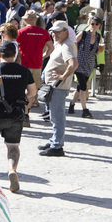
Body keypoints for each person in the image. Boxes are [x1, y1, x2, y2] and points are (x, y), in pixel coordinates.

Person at [0, 41, 34, 193]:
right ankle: (12, 170)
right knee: (13, 145)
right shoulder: (24, 71)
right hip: (15, 114)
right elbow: (32, 92)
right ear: (14, 54)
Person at [39, 21, 77, 157]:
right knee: (54, 116)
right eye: (53, 32)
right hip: (54, 87)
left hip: (58, 88)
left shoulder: (67, 45)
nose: (54, 34)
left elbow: (73, 64)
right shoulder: (62, 44)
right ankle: (54, 141)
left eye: (57, 32)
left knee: (57, 117)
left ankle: (57, 146)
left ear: (66, 32)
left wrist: (63, 76)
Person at [69, 15, 102, 119]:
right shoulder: (83, 34)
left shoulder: (98, 37)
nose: (94, 26)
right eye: (92, 24)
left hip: (89, 64)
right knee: (83, 86)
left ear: (99, 25)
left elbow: (96, 52)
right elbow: (73, 43)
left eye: (96, 24)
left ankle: (72, 104)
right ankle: (85, 110)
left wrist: (100, 51)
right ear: (89, 24)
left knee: (80, 87)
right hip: (79, 62)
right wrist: (74, 55)